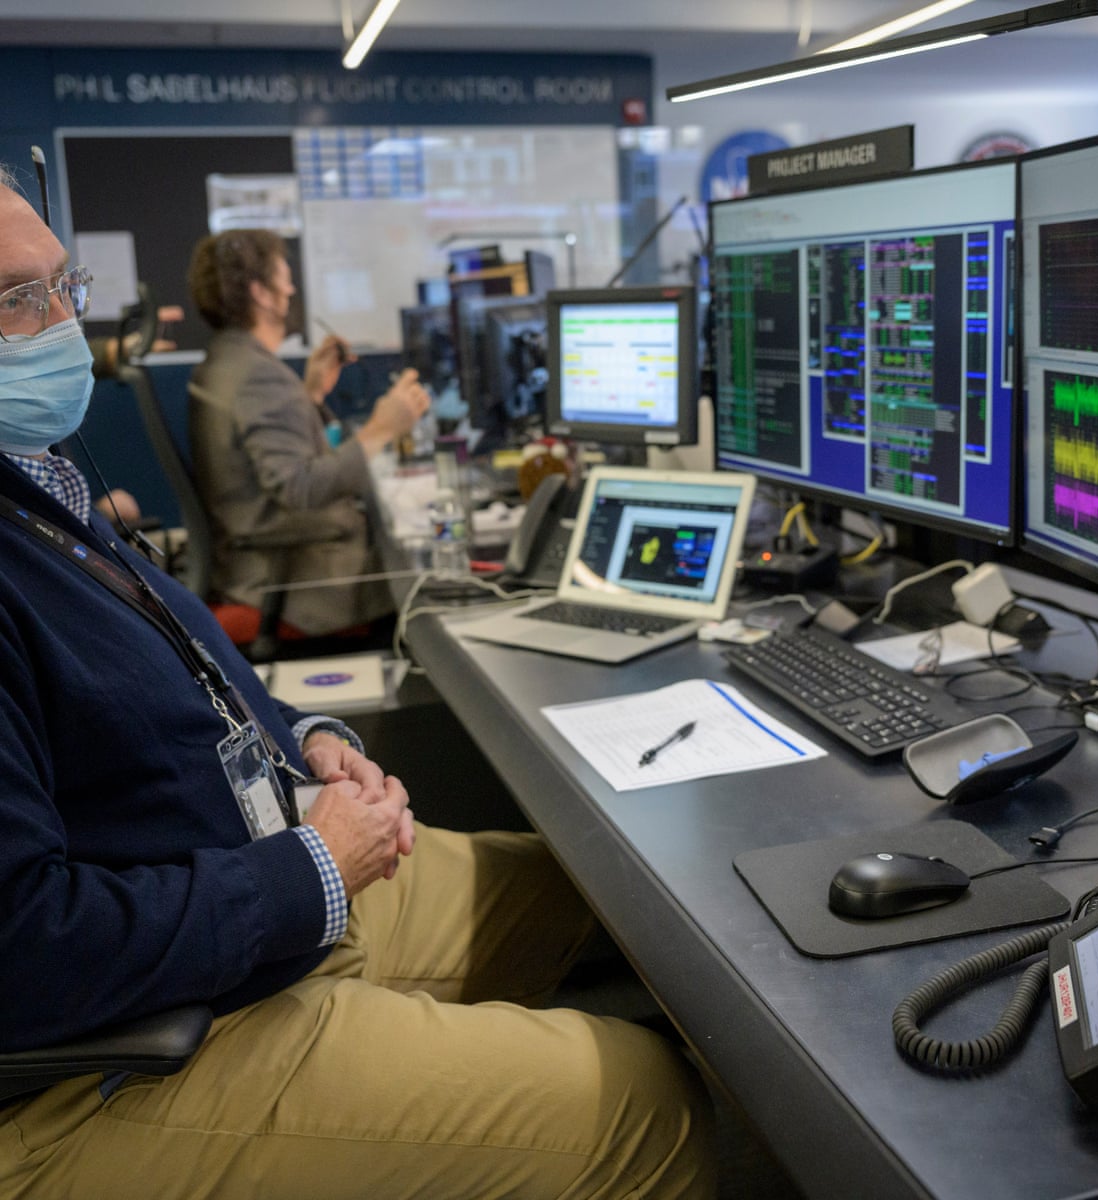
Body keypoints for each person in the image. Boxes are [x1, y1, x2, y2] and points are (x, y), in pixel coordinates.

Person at [0, 171, 716, 1197]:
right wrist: (312, 869)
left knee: (596, 896)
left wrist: (309, 740)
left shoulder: (40, 482)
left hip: (238, 893)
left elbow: (173, 672)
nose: (63, 322)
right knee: (646, 1105)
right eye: (20, 299)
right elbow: (24, 950)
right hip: (120, 1052)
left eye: (64, 285)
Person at [187, 229, 429, 636]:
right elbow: (298, 487)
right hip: (297, 583)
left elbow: (262, 454)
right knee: (428, 595)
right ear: (261, 293)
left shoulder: (228, 362)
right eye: (284, 278)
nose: (291, 289)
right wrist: (381, 428)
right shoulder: (260, 377)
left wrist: (310, 393)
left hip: (257, 565)